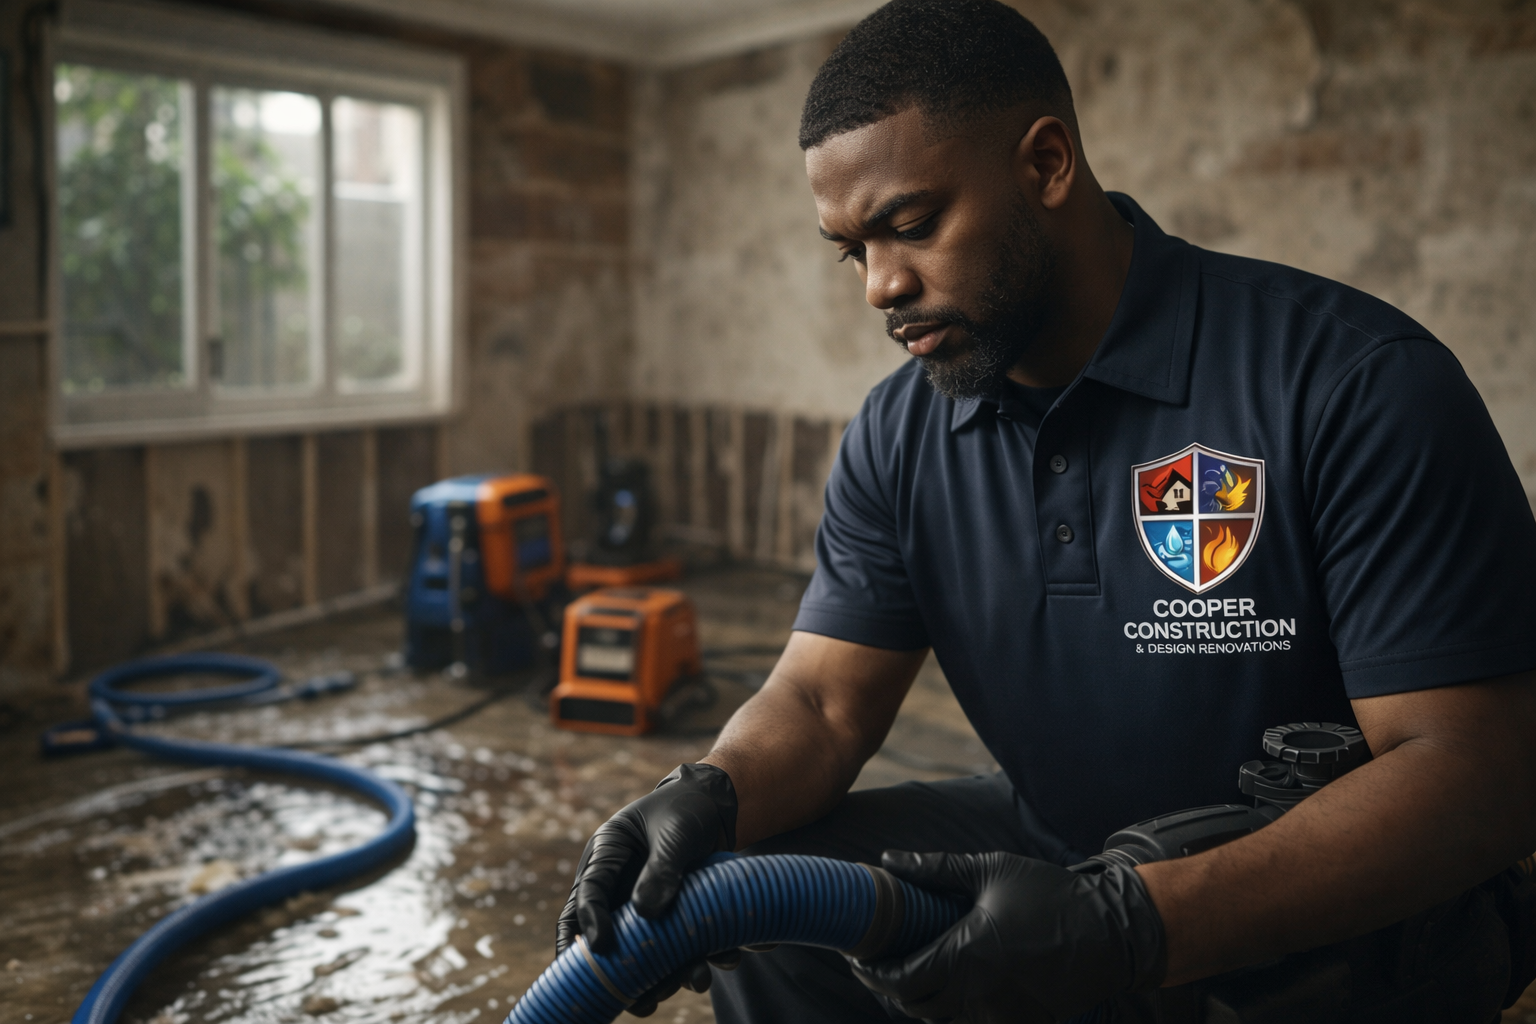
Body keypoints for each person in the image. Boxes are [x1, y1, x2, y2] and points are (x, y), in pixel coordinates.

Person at [556, 1, 1536, 1020]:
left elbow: (1480, 774)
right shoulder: (899, 434)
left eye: (912, 224)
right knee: (753, 884)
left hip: (1329, 910)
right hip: (1061, 845)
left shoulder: (1350, 382)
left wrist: (1127, 923)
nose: (882, 287)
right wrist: (710, 791)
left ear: (1048, 164)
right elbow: (821, 702)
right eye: (852, 250)